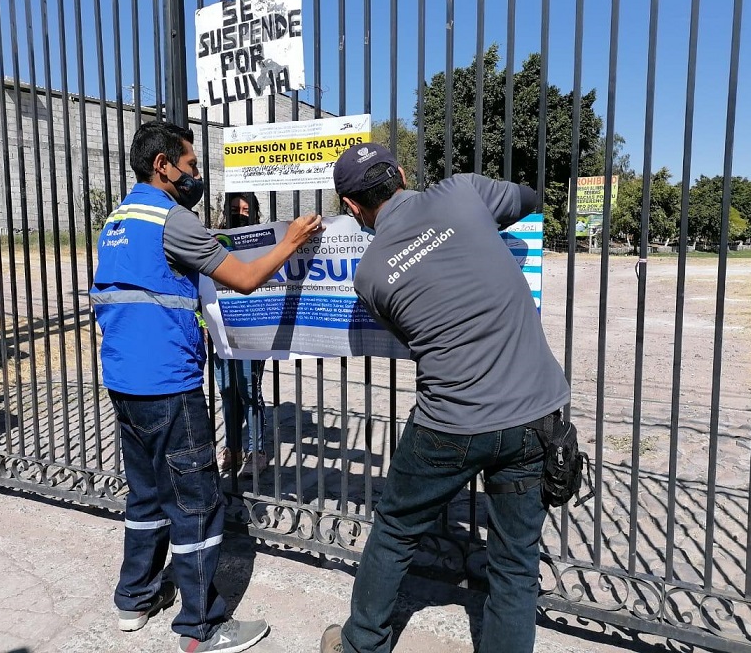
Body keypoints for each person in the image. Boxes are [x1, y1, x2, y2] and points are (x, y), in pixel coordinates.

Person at [320, 143, 570, 653]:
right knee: (515, 562)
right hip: (535, 414)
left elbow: (411, 337)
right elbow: (528, 198)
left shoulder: (369, 275)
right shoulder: (462, 193)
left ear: (351, 207)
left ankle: (362, 643)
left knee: (395, 527)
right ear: (403, 174)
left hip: (450, 422)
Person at [90, 121, 322, 653]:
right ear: (162, 165)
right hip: (169, 383)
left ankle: (136, 598)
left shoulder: (117, 219)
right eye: (191, 166)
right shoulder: (172, 221)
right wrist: (289, 241)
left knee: (147, 494)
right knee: (197, 503)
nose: (196, 175)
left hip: (123, 381)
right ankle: (201, 626)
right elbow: (242, 277)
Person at [214, 193, 269, 478]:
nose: (240, 214)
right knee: (226, 389)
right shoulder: (216, 239)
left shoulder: (264, 240)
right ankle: (233, 449)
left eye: (246, 210)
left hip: (253, 329)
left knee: (248, 389)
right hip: (222, 328)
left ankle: (256, 451)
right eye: (235, 209)